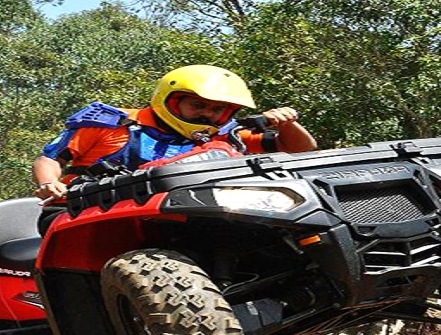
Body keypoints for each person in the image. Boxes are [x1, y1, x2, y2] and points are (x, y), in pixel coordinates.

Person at [32, 64, 317, 233]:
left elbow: (300, 151)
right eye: (198, 105)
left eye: (217, 109)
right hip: (86, 211)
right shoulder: (111, 123)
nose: (207, 114)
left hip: (186, 212)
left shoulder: (226, 134)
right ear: (171, 100)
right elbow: (50, 158)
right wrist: (48, 184)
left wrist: (288, 124)